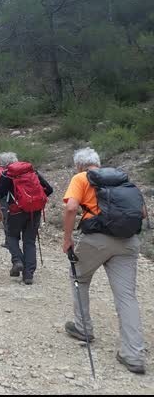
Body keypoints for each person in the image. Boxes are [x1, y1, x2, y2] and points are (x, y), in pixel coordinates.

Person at [62, 148, 146, 374]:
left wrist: (67, 238)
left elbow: (71, 207)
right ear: (98, 163)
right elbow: (143, 214)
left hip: (96, 239)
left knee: (79, 276)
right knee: (127, 296)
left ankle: (83, 328)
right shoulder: (121, 178)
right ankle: (134, 355)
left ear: (79, 165)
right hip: (128, 241)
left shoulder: (80, 178)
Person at [0, 157, 53, 285]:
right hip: (34, 212)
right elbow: (49, 189)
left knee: (11, 236)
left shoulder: (7, 175)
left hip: (16, 211)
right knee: (30, 241)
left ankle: (18, 261)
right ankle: (28, 275)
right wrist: (33, 200)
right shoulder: (33, 173)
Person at [0, 152, 18, 249]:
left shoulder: (0, 170)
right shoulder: (20, 170)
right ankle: (16, 239)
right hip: (18, 198)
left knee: (6, 219)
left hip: (4, 198)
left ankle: (9, 241)